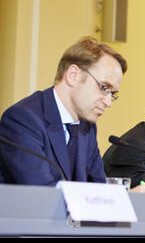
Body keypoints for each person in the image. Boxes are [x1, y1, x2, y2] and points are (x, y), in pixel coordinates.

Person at [0, 37, 127, 186]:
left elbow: (97, 187)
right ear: (73, 75)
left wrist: (127, 196)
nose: (108, 102)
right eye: (104, 88)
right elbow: (43, 194)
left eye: (113, 94)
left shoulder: (87, 126)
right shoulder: (22, 119)